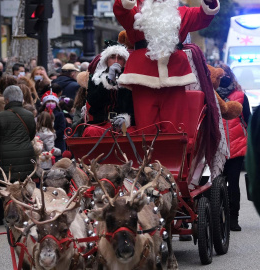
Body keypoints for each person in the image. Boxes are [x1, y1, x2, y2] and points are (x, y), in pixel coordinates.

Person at [113, 0, 220, 133]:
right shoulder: (135, 12)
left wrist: (209, 2)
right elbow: (120, 10)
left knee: (176, 128)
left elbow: (203, 16)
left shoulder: (182, 13)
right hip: (143, 77)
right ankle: (149, 153)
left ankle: (176, 153)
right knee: (146, 129)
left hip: (174, 76)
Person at [0, 85, 36, 226]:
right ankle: (25, 213)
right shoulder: (29, 115)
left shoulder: (1, 116)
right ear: (21, 99)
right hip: (25, 154)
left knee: (2, 186)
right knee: (23, 184)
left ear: (7, 99)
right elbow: (32, 135)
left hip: (3, 157)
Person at [216, 63, 251, 231]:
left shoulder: (210, 95)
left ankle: (225, 218)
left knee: (219, 185)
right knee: (232, 183)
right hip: (233, 147)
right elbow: (249, 121)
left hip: (221, 148)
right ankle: (232, 219)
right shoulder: (241, 95)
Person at [84, 42, 134, 136]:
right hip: (101, 123)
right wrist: (108, 81)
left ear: (124, 62)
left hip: (123, 125)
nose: (116, 61)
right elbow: (92, 101)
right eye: (112, 57)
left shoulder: (131, 80)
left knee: (131, 134)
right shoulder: (96, 79)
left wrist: (127, 118)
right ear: (107, 60)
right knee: (91, 131)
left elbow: (136, 106)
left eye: (120, 58)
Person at [39, 91, 67, 155]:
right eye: (48, 101)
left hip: (58, 143)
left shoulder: (60, 114)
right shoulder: (41, 114)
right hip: (44, 143)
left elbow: (62, 129)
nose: (50, 103)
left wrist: (52, 135)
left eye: (53, 101)